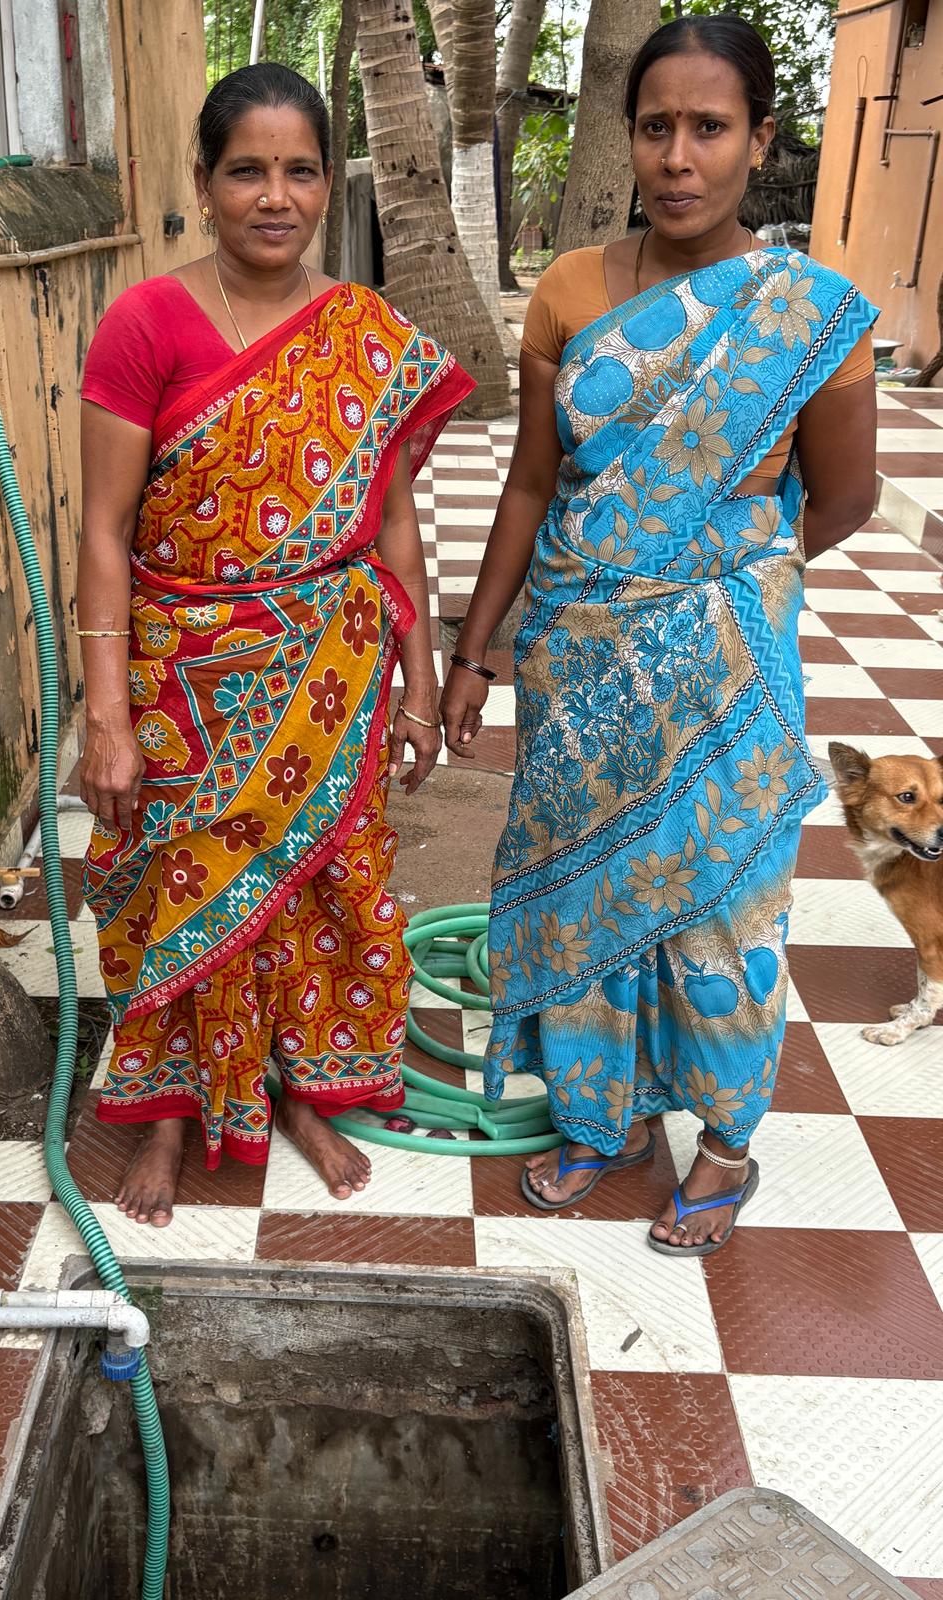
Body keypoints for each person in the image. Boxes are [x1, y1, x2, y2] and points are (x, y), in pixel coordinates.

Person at [440, 15, 877, 1256]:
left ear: (759, 141)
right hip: (576, 657)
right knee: (583, 887)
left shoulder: (811, 311)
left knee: (725, 905)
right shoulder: (573, 288)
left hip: (725, 667)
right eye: (655, 128)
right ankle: (602, 1115)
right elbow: (531, 483)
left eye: (709, 128)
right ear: (628, 138)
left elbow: (837, 501)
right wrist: (474, 654)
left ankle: (727, 1142)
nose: (679, 157)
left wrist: (703, 579)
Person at [76, 63, 473, 1225]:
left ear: (327, 184)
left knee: (322, 887)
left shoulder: (365, 333)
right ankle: (161, 1113)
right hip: (181, 669)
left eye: (300, 170)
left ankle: (299, 1089)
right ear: (203, 184)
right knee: (168, 881)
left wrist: (419, 682)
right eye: (246, 169)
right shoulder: (145, 322)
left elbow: (393, 519)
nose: (275, 194)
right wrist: (106, 712)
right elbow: (101, 529)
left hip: (330, 663)